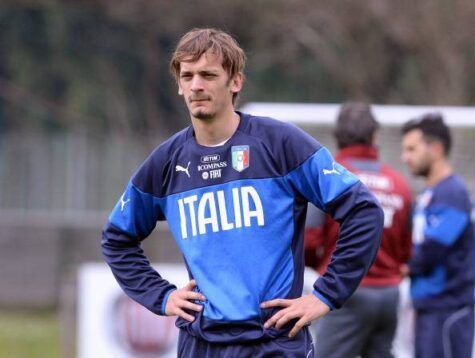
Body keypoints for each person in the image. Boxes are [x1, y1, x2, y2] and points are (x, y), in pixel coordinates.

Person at [101, 28, 384, 357]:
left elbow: (364, 211)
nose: (196, 85)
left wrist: (325, 295)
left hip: (273, 340)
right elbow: (117, 238)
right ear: (178, 84)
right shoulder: (165, 163)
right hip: (201, 343)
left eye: (208, 74)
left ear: (235, 81)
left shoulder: (281, 144)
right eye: (187, 75)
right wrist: (162, 296)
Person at [304, 102, 412, 358]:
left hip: (344, 292)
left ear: (338, 136)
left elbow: (308, 242)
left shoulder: (330, 178)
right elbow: (407, 251)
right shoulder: (399, 183)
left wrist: (325, 265)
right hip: (389, 295)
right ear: (375, 137)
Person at [400, 114, 475, 358]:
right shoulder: (429, 195)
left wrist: (402, 266)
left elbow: (432, 250)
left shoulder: (453, 193)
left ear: (436, 148)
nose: (405, 157)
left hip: (448, 309)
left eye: (412, 149)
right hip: (429, 308)